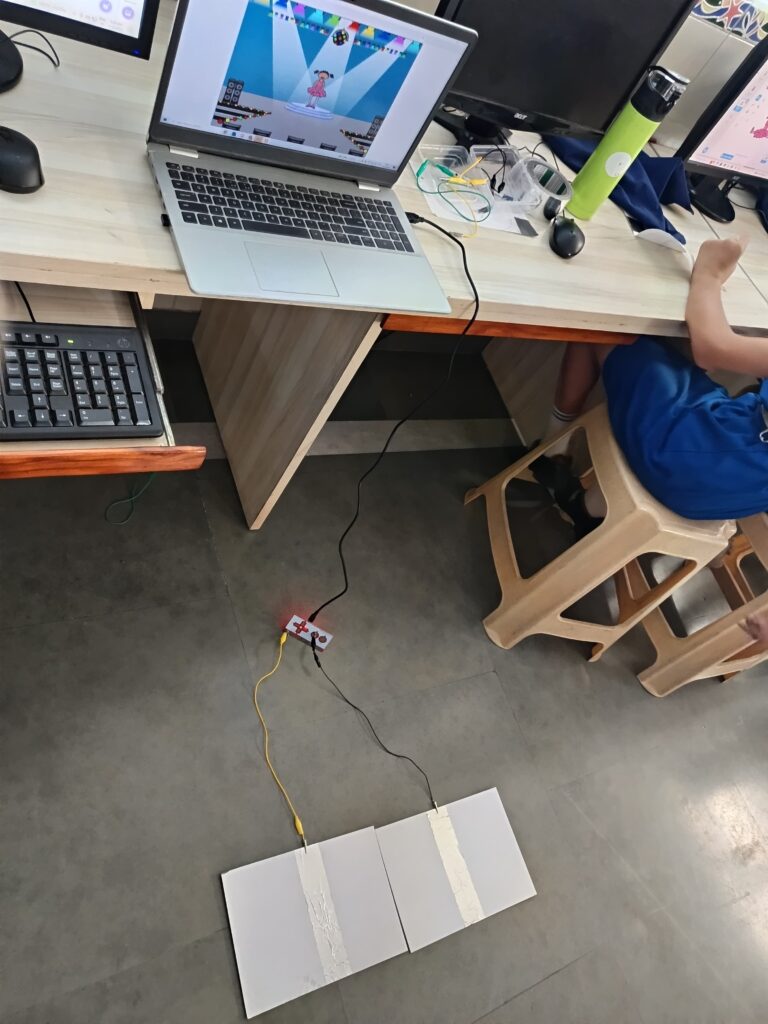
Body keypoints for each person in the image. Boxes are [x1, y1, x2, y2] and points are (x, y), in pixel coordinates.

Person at [538, 235, 768, 639]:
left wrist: (710, 273)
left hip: (680, 457)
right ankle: (596, 505)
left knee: (606, 327)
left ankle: (552, 450)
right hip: (718, 501)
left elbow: (711, 347)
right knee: (686, 367)